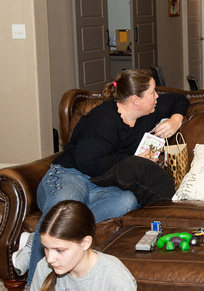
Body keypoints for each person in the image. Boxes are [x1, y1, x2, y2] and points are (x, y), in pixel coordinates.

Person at [19, 69, 189, 284]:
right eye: (153, 92)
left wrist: (175, 120)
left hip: (102, 183)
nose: (157, 97)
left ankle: (39, 236)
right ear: (136, 100)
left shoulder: (149, 111)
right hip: (70, 174)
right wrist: (136, 161)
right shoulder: (103, 119)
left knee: (127, 200)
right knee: (66, 208)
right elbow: (87, 162)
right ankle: (34, 285)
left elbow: (179, 99)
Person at [30, 200, 137, 291]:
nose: (49, 259)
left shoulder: (115, 278)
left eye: (59, 250)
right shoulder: (44, 268)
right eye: (46, 248)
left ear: (85, 243)